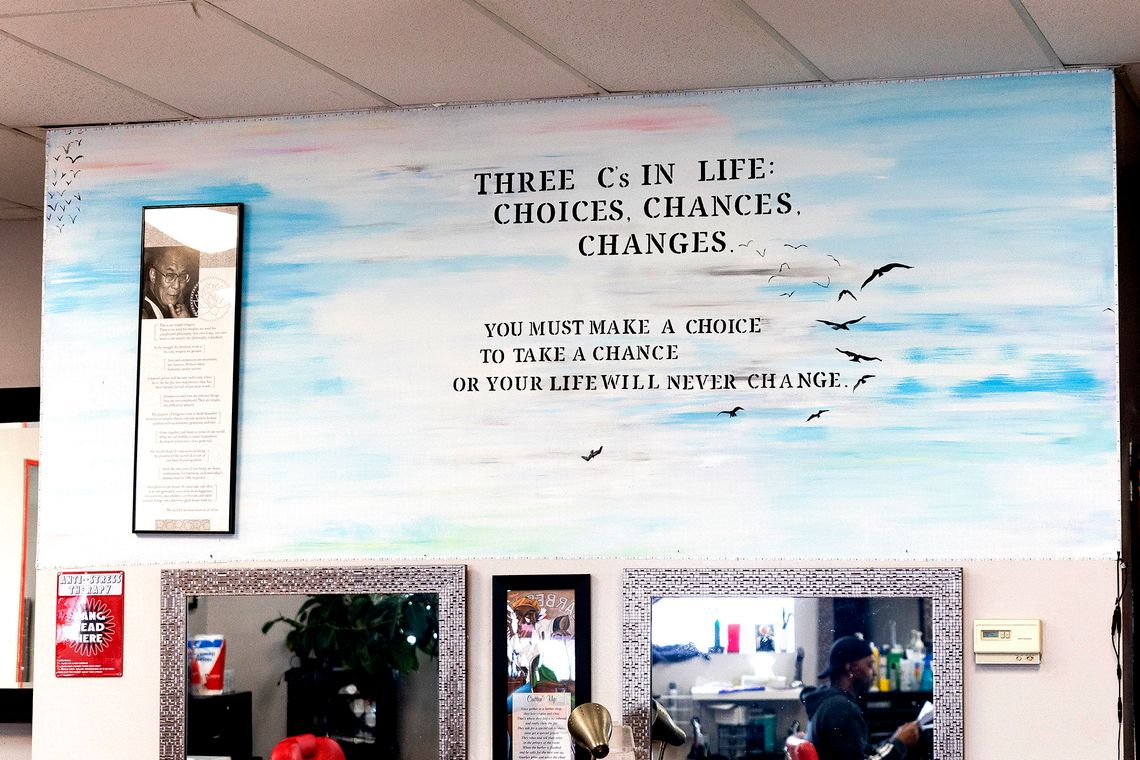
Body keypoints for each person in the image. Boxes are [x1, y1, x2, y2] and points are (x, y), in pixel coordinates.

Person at [801, 635, 919, 759]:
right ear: (851, 669)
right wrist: (899, 743)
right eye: (869, 665)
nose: (874, 672)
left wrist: (893, 740)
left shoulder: (827, 702)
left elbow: (862, 753)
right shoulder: (841, 709)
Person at [140, 246, 197, 319]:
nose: (176, 285)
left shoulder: (171, 312)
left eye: (182, 276)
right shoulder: (144, 316)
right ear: (153, 275)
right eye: (170, 276)